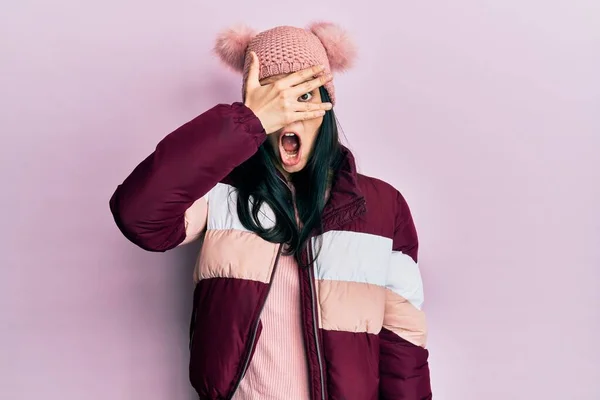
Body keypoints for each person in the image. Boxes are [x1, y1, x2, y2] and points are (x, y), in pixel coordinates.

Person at [109, 22, 432, 400]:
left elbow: (403, 345)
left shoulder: (384, 205)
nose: (288, 115)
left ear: (327, 106)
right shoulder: (221, 193)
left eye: (305, 95)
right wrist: (246, 123)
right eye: (273, 98)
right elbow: (139, 215)